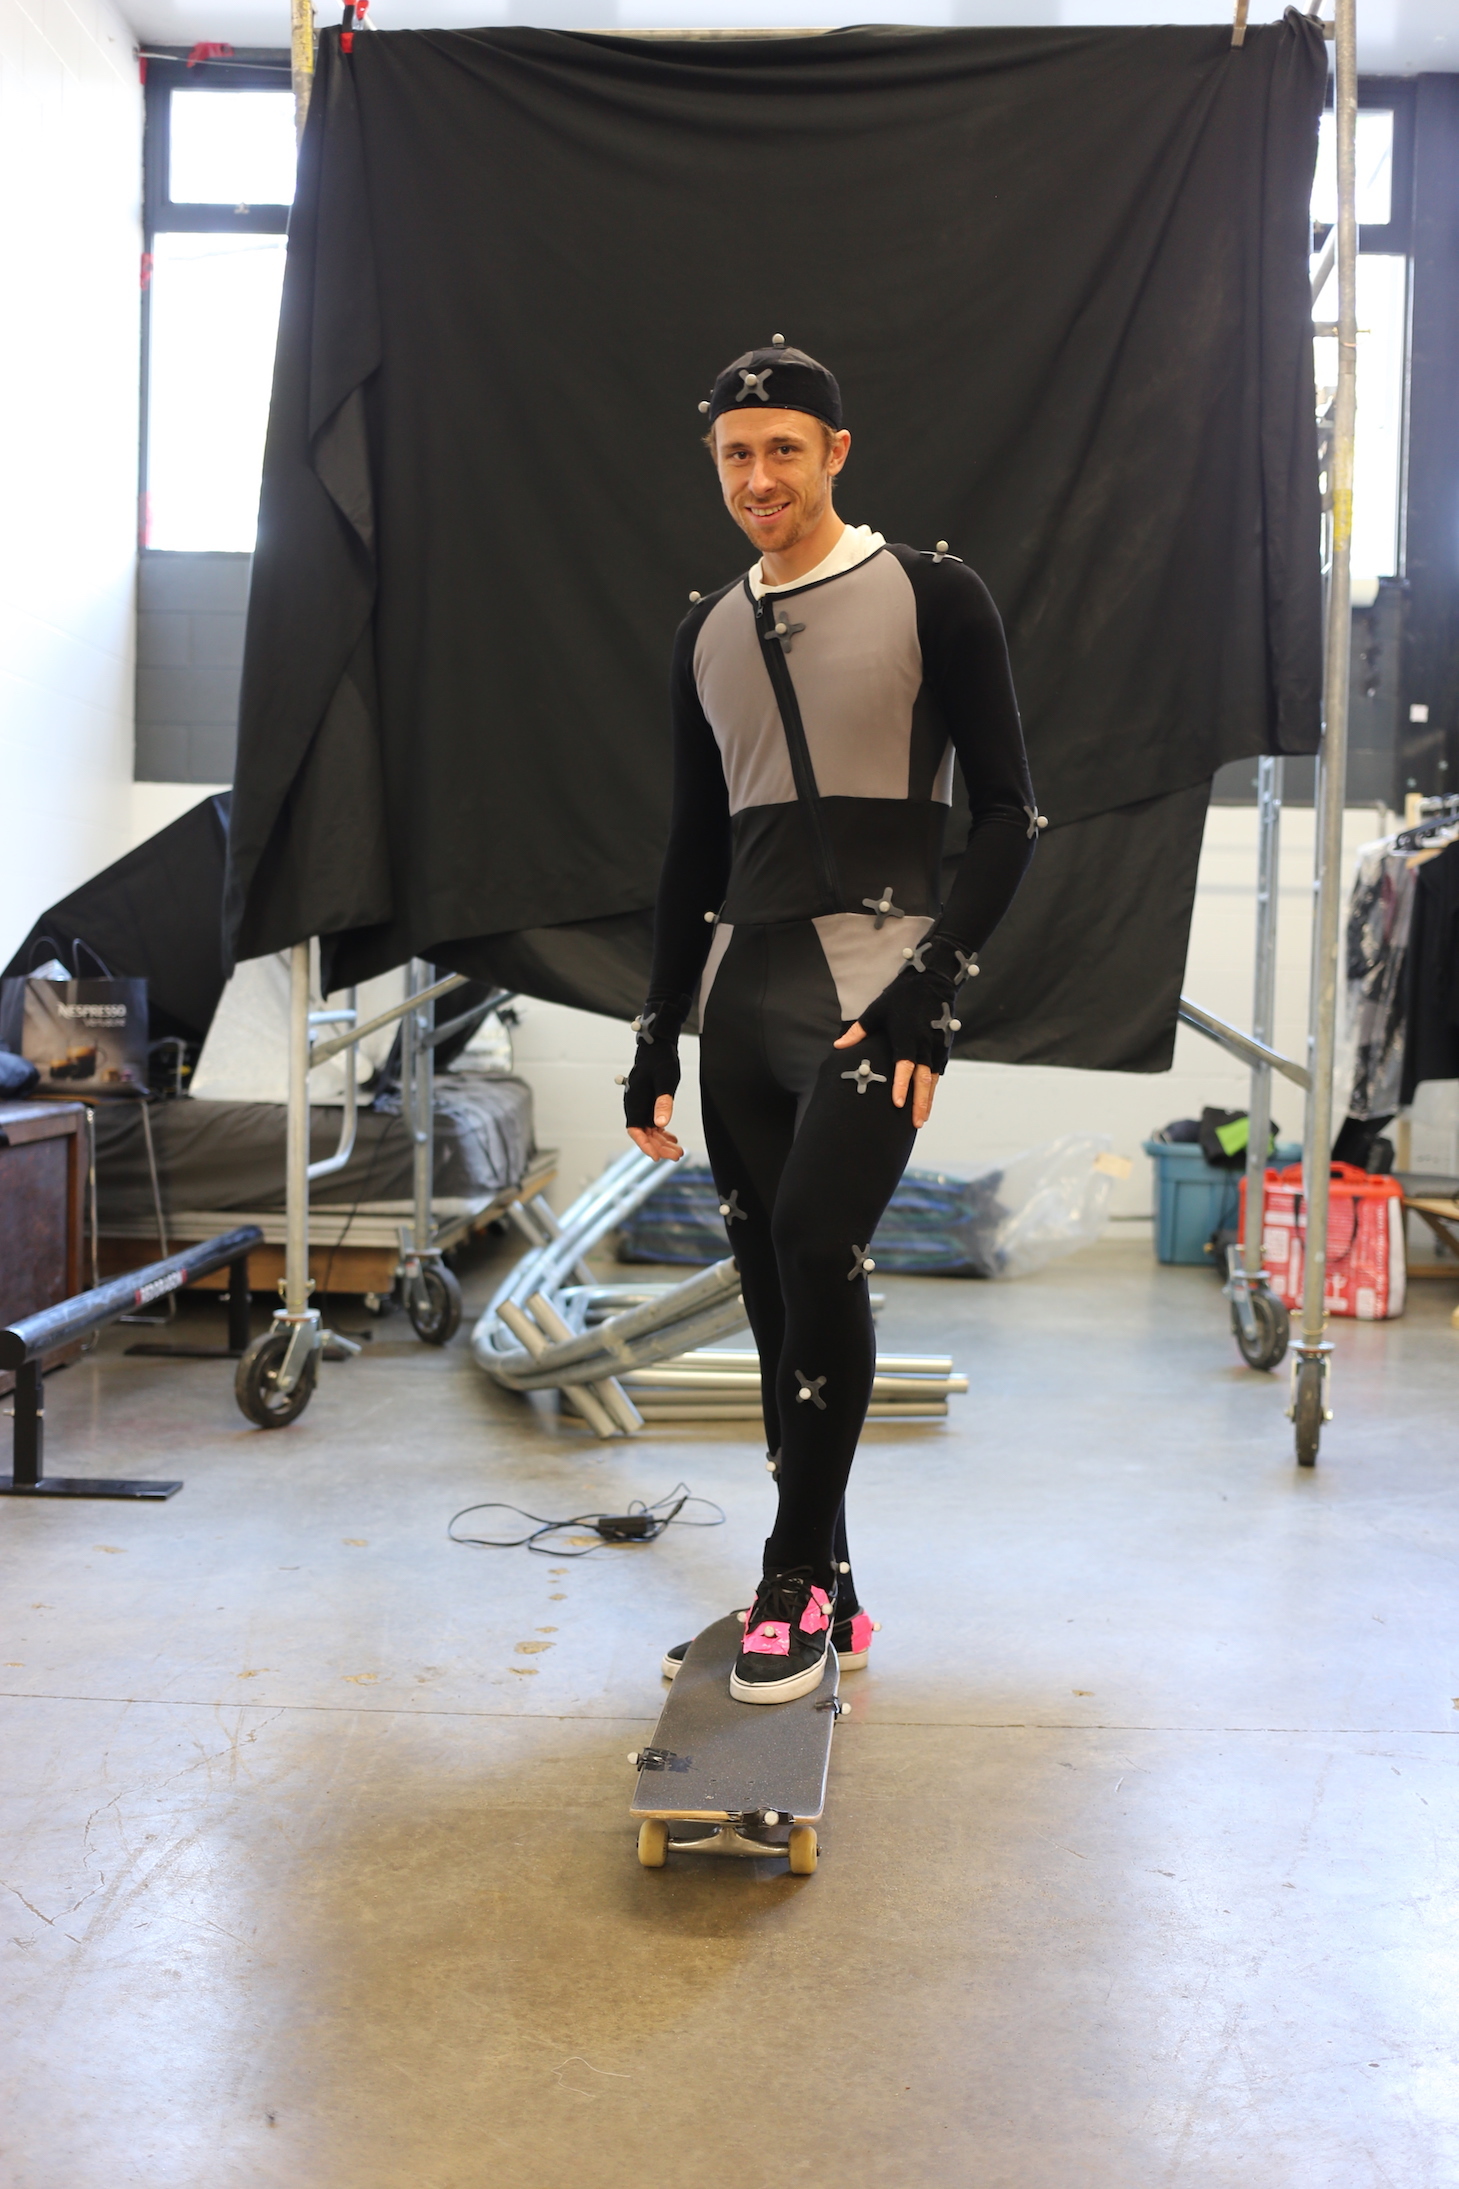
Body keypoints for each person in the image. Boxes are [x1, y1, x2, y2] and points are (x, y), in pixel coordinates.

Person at [621, 338, 1040, 1704]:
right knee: (772, 1295)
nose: (760, 477)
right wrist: (655, 1030)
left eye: (784, 450)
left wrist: (933, 987)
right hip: (741, 998)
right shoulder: (704, 631)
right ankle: (836, 1585)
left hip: (877, 991)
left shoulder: (933, 592)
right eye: (736, 454)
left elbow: (1009, 818)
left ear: (835, 453)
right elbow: (693, 850)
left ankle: (791, 1576)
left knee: (818, 1243)